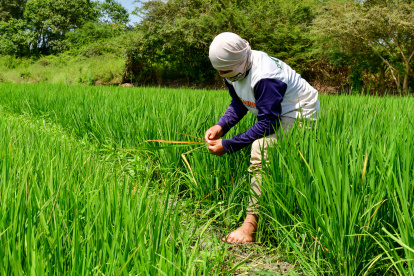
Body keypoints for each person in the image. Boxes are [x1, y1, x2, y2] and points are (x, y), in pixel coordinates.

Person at [205, 32, 320, 244]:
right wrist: (221, 126)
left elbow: (268, 123)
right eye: (219, 72)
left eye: (226, 72)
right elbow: (239, 102)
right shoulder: (233, 68)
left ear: (240, 63)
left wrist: (229, 145)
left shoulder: (266, 77)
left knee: (262, 148)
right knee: (262, 145)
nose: (223, 76)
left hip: (299, 111)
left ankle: (250, 226)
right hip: (276, 111)